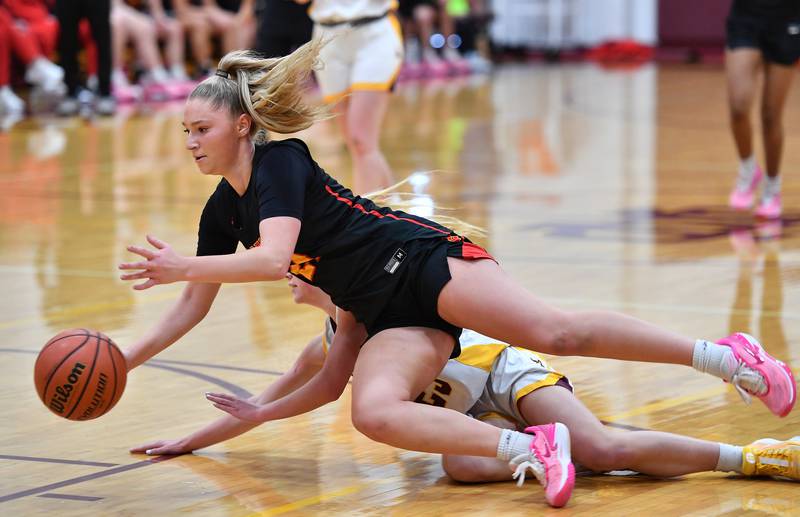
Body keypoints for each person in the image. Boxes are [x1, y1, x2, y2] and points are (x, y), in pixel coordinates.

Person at [118, 42, 796, 508]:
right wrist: (121, 361)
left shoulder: (280, 163)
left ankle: (725, 357)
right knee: (374, 410)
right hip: (386, 314)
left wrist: (180, 263)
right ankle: (533, 447)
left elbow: (271, 257)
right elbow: (190, 310)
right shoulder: (219, 214)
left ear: (242, 125)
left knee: (553, 331)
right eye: (183, 131)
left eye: (199, 128)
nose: (190, 143)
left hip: (418, 257)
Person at [132, 276, 800, 490]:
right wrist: (191, 437)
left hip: (503, 375)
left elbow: (292, 401)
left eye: (303, 266)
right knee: (457, 462)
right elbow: (265, 404)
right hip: (474, 417)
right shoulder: (324, 344)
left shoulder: (370, 310)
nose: (291, 273)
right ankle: (537, 446)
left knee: (604, 448)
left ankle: (753, 458)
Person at [295, 0, 402, 193]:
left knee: (361, 140)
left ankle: (365, 217)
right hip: (327, 38)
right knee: (357, 145)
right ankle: (393, 208)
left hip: (374, 32)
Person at [726, 0, 800, 219]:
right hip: (746, 15)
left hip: (787, 18)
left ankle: (772, 187)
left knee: (770, 115)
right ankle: (748, 169)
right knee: (738, 106)